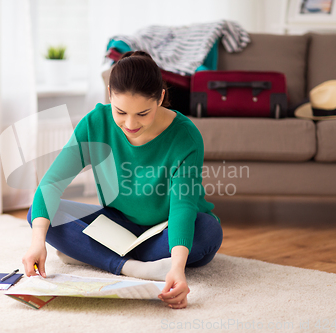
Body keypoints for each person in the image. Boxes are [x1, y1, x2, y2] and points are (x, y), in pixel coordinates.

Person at [22, 50, 223, 309]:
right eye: (120, 112)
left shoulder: (185, 137)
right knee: (38, 216)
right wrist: (37, 242)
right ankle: (132, 267)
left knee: (208, 232)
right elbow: (52, 183)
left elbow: (183, 206)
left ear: (160, 97)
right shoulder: (95, 123)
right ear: (109, 94)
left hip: (164, 230)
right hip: (117, 226)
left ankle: (93, 254)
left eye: (142, 113)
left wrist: (177, 268)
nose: (130, 124)